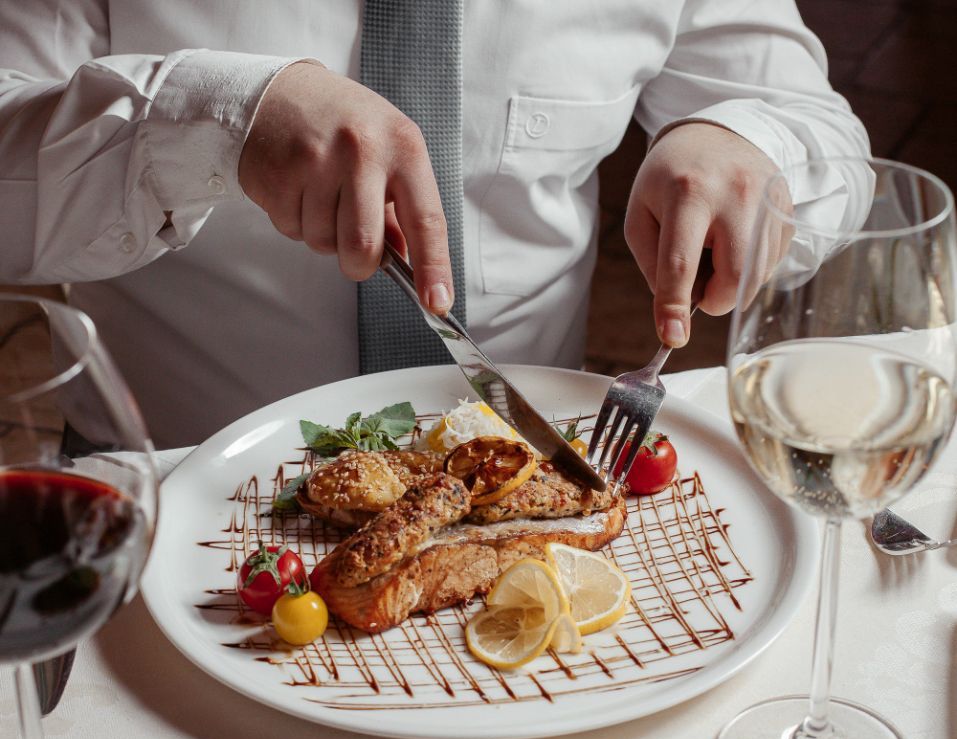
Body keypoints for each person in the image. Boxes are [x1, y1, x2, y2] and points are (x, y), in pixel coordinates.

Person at [0, 1, 869, 448]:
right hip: (169, 479)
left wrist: (747, 143)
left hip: (518, 486)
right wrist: (212, 120)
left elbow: (812, 128)